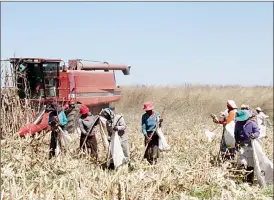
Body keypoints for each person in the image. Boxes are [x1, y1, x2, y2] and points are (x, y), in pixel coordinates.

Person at [234, 110, 260, 185]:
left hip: (251, 145)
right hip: (242, 145)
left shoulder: (252, 123)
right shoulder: (238, 124)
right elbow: (236, 133)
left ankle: (249, 181)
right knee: (242, 161)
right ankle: (241, 178)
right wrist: (237, 141)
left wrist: (254, 135)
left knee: (250, 163)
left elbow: (257, 131)